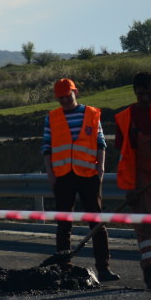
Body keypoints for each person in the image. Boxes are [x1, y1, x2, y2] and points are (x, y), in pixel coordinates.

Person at [42, 78, 117, 281]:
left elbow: (101, 143)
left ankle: (103, 268)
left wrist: (100, 169)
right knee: (64, 224)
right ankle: (64, 268)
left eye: (68, 96)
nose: (65, 100)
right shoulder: (52, 117)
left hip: (88, 175)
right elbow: (47, 147)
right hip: (63, 176)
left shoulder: (92, 114)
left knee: (96, 222)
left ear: (76, 92)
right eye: (61, 98)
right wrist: (50, 173)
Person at [114, 71, 151, 289]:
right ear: (134, 92)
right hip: (140, 181)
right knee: (145, 227)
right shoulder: (125, 119)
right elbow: (124, 158)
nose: (145, 98)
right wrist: (130, 188)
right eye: (141, 94)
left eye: (149, 93)